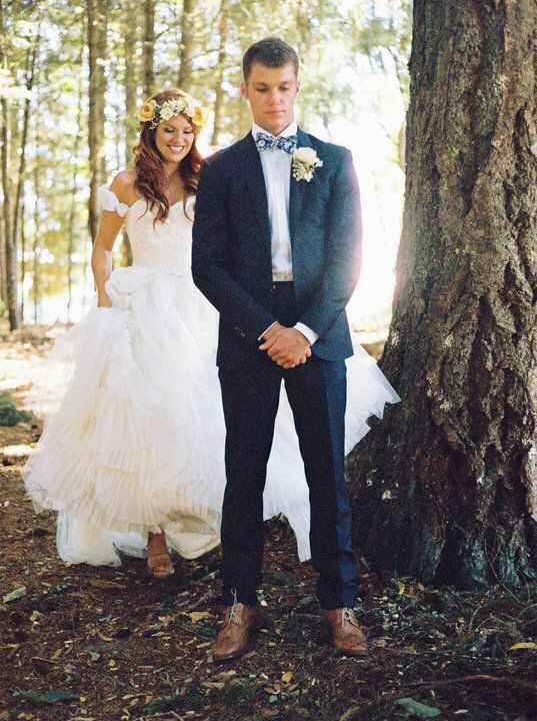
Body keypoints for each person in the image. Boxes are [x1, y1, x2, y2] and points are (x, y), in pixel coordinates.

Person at [24, 83, 398, 593]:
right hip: (150, 304)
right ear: (150, 131)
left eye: (186, 131)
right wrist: (107, 301)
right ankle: (154, 532)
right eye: (169, 130)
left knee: (204, 419)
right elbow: (102, 252)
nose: (178, 139)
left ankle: (201, 521)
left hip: (211, 303)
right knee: (145, 416)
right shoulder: (128, 183)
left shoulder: (211, 176)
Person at [192, 37, 399, 661]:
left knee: (326, 475)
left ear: (297, 86)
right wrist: (267, 331)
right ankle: (239, 602)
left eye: (283, 87)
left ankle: (340, 603)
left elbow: (347, 261)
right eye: (262, 88)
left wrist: (303, 332)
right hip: (249, 340)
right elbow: (209, 267)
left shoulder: (334, 161)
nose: (274, 99)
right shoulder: (222, 169)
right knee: (244, 472)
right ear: (244, 89)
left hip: (321, 339)